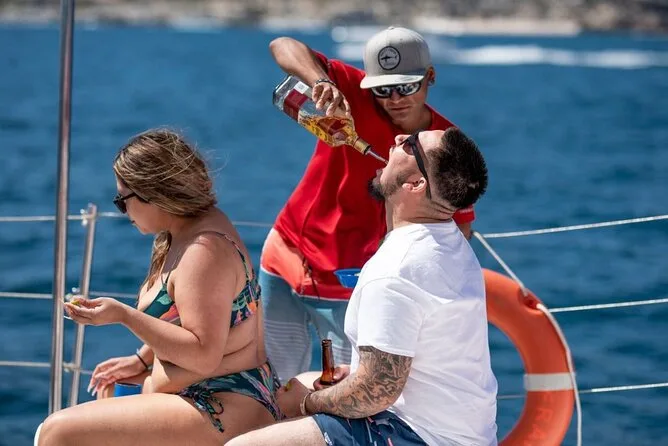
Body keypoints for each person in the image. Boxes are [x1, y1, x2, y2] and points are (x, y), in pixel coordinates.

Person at [227, 128, 497, 446]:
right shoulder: (450, 243)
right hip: (464, 433)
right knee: (302, 380)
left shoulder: (396, 270)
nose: (398, 139)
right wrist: (354, 372)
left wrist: (304, 404)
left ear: (415, 183)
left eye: (411, 144)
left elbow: (376, 392)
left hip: (417, 436)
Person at [36, 129, 282, 445]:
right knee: (106, 392)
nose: (122, 211)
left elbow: (204, 354)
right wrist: (142, 361)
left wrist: (123, 315)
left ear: (152, 193)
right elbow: (192, 320)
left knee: (56, 431)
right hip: (209, 393)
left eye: (122, 200)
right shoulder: (185, 230)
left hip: (224, 404)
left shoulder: (202, 253)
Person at [262, 26, 478, 383]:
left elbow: (460, 227)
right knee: (272, 380)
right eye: (382, 89)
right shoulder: (349, 93)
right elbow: (282, 45)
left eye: (406, 86)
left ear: (430, 77)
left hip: (351, 283)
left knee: (343, 388)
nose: (394, 99)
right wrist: (321, 82)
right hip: (284, 255)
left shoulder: (444, 145)